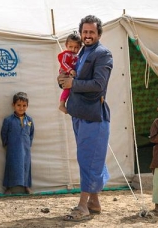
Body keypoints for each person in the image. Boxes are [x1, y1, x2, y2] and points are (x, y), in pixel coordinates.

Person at [58, 15, 113, 222]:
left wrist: (73, 84)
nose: (88, 35)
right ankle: (94, 202)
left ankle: (82, 206)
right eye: (85, 32)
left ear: (98, 34)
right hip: (79, 113)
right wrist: (62, 81)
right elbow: (74, 79)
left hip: (94, 115)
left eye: (91, 32)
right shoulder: (81, 52)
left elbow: (99, 84)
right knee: (87, 157)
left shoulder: (103, 54)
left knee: (89, 158)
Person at [1, 92, 35, 194]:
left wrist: (28, 145)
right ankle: (8, 187)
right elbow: (4, 133)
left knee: (26, 167)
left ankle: (26, 186)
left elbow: (31, 133)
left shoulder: (29, 120)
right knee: (11, 166)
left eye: (24, 105)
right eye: (19, 105)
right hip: (13, 148)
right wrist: (6, 144)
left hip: (25, 149)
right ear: (13, 105)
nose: (21, 108)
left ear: (27, 106)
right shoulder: (8, 120)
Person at [58, 32, 82, 114]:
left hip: (71, 74)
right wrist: (70, 70)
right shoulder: (66, 54)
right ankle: (62, 104)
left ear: (80, 47)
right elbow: (63, 63)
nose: (73, 49)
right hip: (65, 73)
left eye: (76, 47)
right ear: (66, 45)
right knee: (67, 88)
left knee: (70, 88)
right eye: (70, 47)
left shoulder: (77, 56)